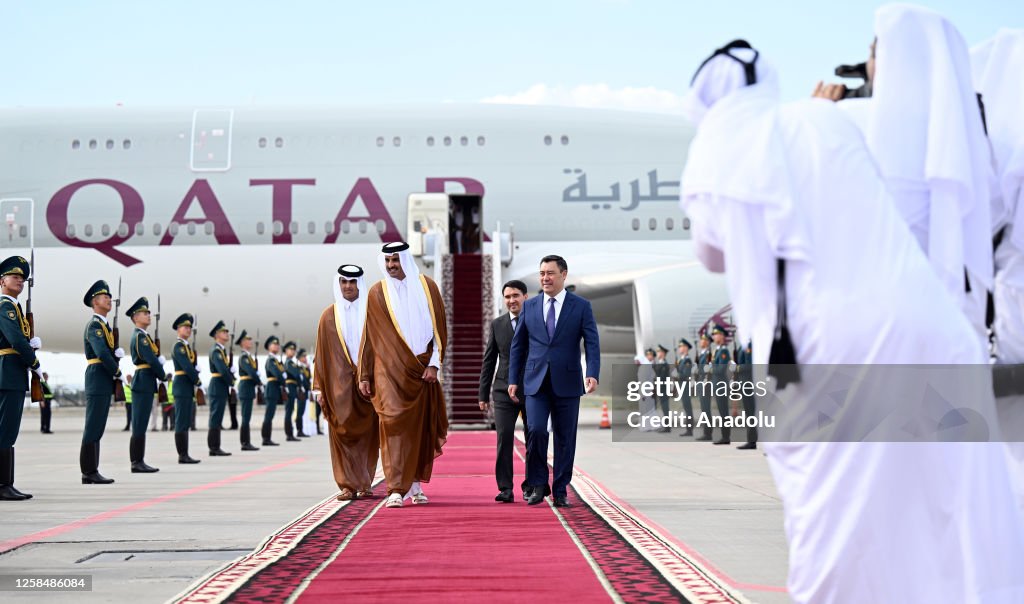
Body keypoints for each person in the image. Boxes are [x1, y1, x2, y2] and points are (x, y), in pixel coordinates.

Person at [679, 38, 1024, 603]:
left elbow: (712, 253)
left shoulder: (722, 142)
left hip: (825, 347)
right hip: (932, 329)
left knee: (833, 512)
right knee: (944, 504)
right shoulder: (832, 121)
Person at [816, 6, 995, 353]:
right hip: (961, 320)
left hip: (873, 327)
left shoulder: (844, 118)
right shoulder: (971, 130)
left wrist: (817, 113)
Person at [358, 241, 448, 509]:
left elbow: (439, 329)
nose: (391, 266)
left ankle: (416, 485)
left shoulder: (428, 287)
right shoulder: (377, 293)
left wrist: (434, 365)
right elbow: (369, 338)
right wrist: (364, 374)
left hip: (421, 371)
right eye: (387, 261)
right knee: (392, 426)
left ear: (405, 260)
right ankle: (395, 488)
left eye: (395, 261)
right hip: (388, 373)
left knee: (419, 431)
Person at [508, 255, 600, 508]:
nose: (545, 278)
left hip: (568, 381)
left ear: (563, 275)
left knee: (564, 438)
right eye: (541, 273)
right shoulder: (530, 306)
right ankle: (538, 483)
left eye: (550, 273)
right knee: (536, 430)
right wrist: (513, 378)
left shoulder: (581, 306)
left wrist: (592, 372)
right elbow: (518, 345)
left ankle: (560, 489)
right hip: (535, 381)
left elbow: (592, 342)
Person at [312, 265, 379, 500]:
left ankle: (364, 482)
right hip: (337, 386)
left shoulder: (372, 312)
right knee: (340, 433)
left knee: (368, 434)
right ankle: (346, 485)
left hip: (367, 383)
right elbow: (321, 354)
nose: (348, 286)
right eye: (343, 282)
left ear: (359, 283)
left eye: (352, 282)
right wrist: (319, 387)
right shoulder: (328, 316)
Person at [479, 279, 531, 503]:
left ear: (525, 297)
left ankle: (532, 485)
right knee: (504, 438)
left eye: (516, 296)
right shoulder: (497, 324)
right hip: (502, 389)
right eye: (508, 297)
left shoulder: (535, 322)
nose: (512, 300)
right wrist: (483, 393)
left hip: (532, 389)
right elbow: (489, 360)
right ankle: (505, 488)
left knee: (534, 438)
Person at [0, 256, 42, 500]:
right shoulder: (6, 307)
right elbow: (15, 340)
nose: (20, 281)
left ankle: (7, 483)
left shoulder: (13, 308)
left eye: (22, 278)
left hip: (12, 372)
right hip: (8, 372)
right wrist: (34, 361)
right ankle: (3, 485)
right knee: (6, 430)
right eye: (14, 276)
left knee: (9, 430)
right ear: (2, 281)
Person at [81, 280, 123, 484]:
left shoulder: (104, 326)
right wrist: (117, 369)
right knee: (93, 425)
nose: (109, 299)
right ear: (95, 302)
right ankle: (88, 471)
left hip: (103, 378)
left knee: (98, 426)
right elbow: (101, 352)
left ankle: (92, 470)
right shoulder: (95, 325)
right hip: (98, 376)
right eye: (105, 297)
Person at [126, 296, 166, 473]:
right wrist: (162, 373)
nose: (148, 315)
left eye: (149, 313)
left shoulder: (145, 336)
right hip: (143, 380)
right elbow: (150, 359)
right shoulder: (140, 337)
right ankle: (136, 461)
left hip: (146, 380)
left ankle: (139, 460)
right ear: (135, 318)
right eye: (144, 313)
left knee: (142, 422)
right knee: (140, 423)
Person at [171, 313, 201, 464]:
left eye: (189, 327)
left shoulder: (186, 347)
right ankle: (182, 455)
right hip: (182, 385)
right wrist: (197, 378)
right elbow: (186, 366)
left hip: (186, 387)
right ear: (178, 329)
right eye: (185, 327)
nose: (188, 330)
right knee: (181, 421)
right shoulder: (179, 346)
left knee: (186, 421)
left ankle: (185, 453)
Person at [206, 320, 233, 456]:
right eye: (224, 332)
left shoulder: (221, 351)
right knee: (216, 417)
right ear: (217, 335)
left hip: (220, 385)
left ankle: (215, 447)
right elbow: (222, 369)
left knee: (218, 417)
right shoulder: (216, 350)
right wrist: (232, 380)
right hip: (218, 385)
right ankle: (213, 447)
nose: (227, 333)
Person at [234, 330, 261, 451]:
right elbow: (250, 372)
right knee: (245, 417)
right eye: (248, 340)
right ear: (243, 343)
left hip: (248, 387)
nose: (250, 342)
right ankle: (245, 442)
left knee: (247, 417)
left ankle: (246, 442)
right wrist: (258, 380)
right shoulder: (243, 357)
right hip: (245, 387)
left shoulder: (248, 357)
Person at [709, 324, 731, 445]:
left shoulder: (723, 351)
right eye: (713, 334)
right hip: (717, 385)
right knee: (721, 412)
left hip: (721, 385)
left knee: (724, 412)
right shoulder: (716, 351)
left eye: (716, 334)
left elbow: (721, 369)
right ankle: (724, 436)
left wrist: (710, 369)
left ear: (722, 336)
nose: (714, 336)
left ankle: (726, 437)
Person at [262, 335, 284, 447]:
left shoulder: (275, 360)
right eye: (274, 344)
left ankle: (267, 438)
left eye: (277, 344)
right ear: (269, 347)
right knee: (269, 415)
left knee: (270, 415)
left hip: (274, 389)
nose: (276, 346)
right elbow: (277, 374)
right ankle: (266, 438)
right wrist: (283, 379)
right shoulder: (271, 360)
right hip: (271, 388)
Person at [734, 340, 756, 450]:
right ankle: (751, 440)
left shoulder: (749, 345)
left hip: (750, 384)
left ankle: (752, 441)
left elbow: (749, 365)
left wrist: (737, 368)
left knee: (752, 413)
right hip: (745, 383)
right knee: (749, 413)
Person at [694, 333, 713, 441]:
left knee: (706, 409)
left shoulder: (708, 355)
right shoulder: (702, 355)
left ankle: (708, 433)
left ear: (707, 342)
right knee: (704, 409)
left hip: (706, 384)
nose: (701, 341)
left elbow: (708, 370)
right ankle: (706, 432)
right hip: (701, 383)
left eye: (703, 340)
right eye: (701, 340)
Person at [282, 341, 301, 442]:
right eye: (290, 349)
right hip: (290, 387)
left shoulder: (292, 362)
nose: (292, 351)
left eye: (293, 350)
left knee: (290, 411)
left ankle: (290, 433)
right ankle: (289, 434)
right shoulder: (289, 363)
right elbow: (296, 374)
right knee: (289, 412)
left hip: (293, 387)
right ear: (286, 351)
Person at [675, 339, 694, 437]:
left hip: (685, 387)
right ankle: (688, 429)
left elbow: (686, 374)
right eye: (679, 346)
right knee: (686, 408)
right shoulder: (681, 360)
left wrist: (677, 374)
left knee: (688, 408)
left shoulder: (687, 360)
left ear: (686, 348)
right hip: (681, 386)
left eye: (681, 346)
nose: (679, 348)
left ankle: (689, 430)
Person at [295, 348, 311, 437]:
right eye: (303, 357)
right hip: (300, 391)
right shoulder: (297, 367)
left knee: (302, 411)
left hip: (305, 392)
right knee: (300, 411)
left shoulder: (305, 367)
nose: (305, 358)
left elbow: (307, 379)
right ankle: (299, 430)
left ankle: (301, 430)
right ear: (299, 358)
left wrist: (308, 369)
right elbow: (299, 379)